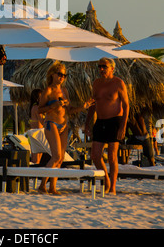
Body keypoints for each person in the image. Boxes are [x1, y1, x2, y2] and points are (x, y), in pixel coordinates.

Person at [37, 62, 94, 195]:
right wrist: (54, 106)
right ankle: (42, 185)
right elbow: (39, 109)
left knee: (61, 158)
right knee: (56, 156)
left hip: (64, 125)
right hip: (51, 124)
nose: (62, 77)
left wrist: (83, 107)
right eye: (60, 74)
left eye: (64, 75)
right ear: (53, 74)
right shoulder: (48, 90)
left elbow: (70, 110)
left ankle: (52, 188)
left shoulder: (65, 91)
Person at [85, 57, 129, 195]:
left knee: (112, 157)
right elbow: (93, 104)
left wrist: (123, 127)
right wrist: (87, 123)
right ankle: (107, 181)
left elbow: (127, 106)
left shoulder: (118, 83)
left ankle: (113, 187)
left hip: (115, 121)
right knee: (95, 156)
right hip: (100, 122)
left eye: (104, 66)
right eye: (99, 66)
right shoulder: (96, 83)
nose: (101, 69)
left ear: (112, 68)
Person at [29, 88, 45, 164]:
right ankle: (34, 174)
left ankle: (34, 174)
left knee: (35, 158)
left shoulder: (33, 107)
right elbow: (42, 121)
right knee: (36, 159)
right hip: (38, 134)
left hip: (34, 134)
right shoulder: (37, 108)